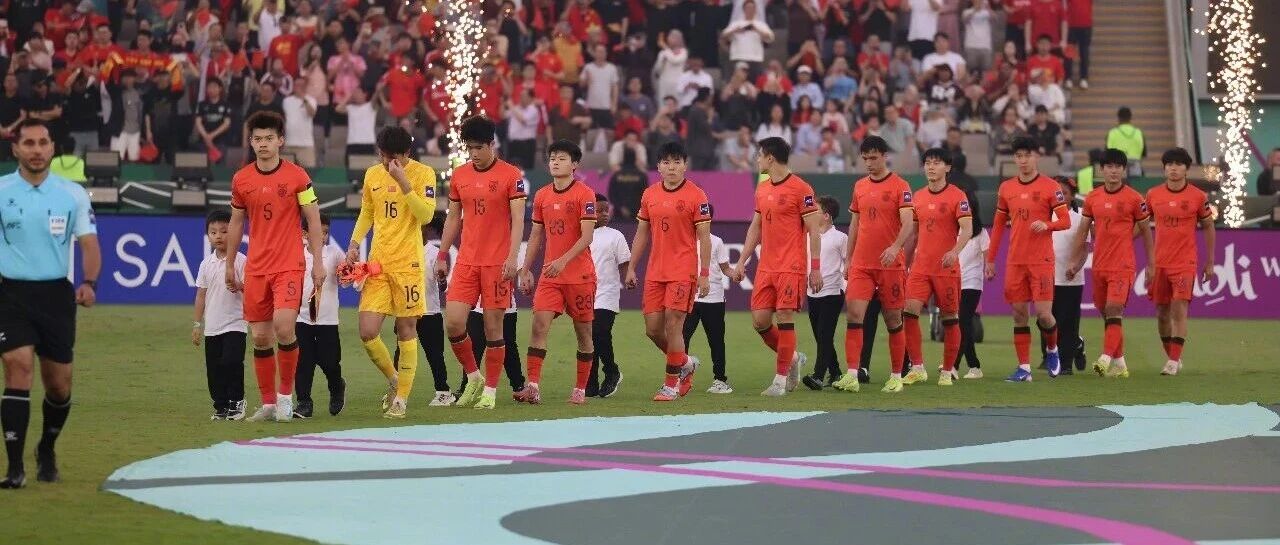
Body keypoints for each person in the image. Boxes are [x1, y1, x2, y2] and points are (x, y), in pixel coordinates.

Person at [0, 119, 100, 487]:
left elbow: (89, 244)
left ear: (52, 148)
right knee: (18, 368)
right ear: (16, 149)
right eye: (29, 143)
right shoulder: (1, 190)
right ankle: (14, 469)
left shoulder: (72, 194)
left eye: (43, 142)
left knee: (59, 386)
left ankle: (46, 447)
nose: (37, 150)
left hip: (56, 296)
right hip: (10, 294)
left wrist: (89, 282)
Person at [224, 112, 325, 422]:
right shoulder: (241, 179)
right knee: (260, 338)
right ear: (251, 142)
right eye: (257, 139)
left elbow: (313, 219)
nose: (263, 144)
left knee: (283, 327)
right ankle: (268, 404)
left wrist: (318, 262)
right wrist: (230, 264)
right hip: (256, 268)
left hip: (289, 265)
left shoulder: (298, 176)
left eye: (269, 138)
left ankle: (284, 398)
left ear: (281, 140)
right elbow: (236, 222)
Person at [436, 116, 527, 410]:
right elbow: (453, 218)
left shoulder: (511, 175)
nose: (473, 153)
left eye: (478, 147)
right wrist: (441, 254)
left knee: (493, 328)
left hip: (497, 263)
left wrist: (512, 257)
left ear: (491, 144)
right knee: (453, 323)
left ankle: (490, 390)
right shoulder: (460, 175)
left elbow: (518, 220)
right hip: (466, 261)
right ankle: (474, 376)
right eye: (469, 148)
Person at [346, 126, 437, 418]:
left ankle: (401, 400)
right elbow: (367, 212)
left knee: (406, 329)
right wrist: (354, 243)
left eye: (393, 157)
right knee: (367, 331)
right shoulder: (372, 174)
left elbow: (426, 215)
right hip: (378, 265)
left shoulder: (424, 173)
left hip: (409, 265)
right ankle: (395, 379)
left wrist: (403, 182)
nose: (387, 162)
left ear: (407, 153)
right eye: (383, 156)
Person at [732, 137, 821, 396]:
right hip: (766, 267)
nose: (757, 159)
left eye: (759, 155)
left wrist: (815, 268)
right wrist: (742, 260)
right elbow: (755, 228)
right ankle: (792, 357)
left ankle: (780, 380)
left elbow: (814, 230)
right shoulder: (762, 189)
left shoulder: (801, 189)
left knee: (784, 317)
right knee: (760, 322)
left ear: (770, 158)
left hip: (791, 266)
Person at [624, 142, 712, 402]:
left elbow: (704, 238)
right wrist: (631, 266)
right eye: (666, 162)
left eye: (676, 162)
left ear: (685, 165)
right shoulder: (649, 194)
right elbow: (642, 233)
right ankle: (685, 362)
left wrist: (704, 273)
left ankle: (670, 384)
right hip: (655, 272)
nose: (671, 167)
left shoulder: (697, 195)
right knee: (653, 330)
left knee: (674, 326)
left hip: (683, 271)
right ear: (658, 167)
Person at [514, 140, 598, 405]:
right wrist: (525, 268)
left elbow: (587, 237)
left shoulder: (585, 194)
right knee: (539, 325)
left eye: (562, 158)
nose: (555, 162)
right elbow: (536, 235)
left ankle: (580, 388)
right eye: (552, 158)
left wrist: (563, 260)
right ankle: (533, 387)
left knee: (583, 333)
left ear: (574, 165)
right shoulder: (541, 196)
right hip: (551, 276)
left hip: (580, 276)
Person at [833, 136, 916, 393]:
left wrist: (895, 247)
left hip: (890, 265)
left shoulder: (900, 185)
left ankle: (896, 375)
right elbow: (855, 224)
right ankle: (852, 374)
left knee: (893, 319)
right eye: (865, 158)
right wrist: (849, 258)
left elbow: (908, 222)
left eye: (873, 157)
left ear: (884, 156)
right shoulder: (859, 186)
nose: (869, 163)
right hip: (862, 264)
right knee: (854, 315)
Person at [984, 136, 1070, 382]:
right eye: (1019, 156)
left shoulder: (1050, 187)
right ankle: (1024, 368)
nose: (1023, 160)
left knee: (1044, 315)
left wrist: (1047, 224)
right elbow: (998, 226)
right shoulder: (1006, 188)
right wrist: (991, 259)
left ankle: (1052, 350)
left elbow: (1065, 221)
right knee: (1019, 314)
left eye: (1027, 155)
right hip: (1015, 261)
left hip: (1041, 260)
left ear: (1037, 156)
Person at [1065, 149, 1153, 378]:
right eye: (1109, 167)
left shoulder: (1135, 199)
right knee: (1108, 314)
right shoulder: (1092, 198)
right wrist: (1074, 261)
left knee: (1114, 308)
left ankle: (1104, 359)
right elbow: (1083, 231)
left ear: (1124, 170)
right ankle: (1120, 364)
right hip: (1099, 265)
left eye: (1118, 167)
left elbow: (1146, 231)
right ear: (1101, 169)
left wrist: (1151, 265)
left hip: (1123, 265)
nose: (1114, 171)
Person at [903, 149, 973, 387]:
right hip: (921, 268)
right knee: (909, 312)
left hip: (946, 269)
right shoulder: (918, 196)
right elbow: (913, 235)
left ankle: (948, 370)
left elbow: (967, 229)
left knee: (950, 318)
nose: (931, 167)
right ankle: (918, 367)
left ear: (948, 167)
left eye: (936, 163)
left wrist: (954, 251)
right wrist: (906, 263)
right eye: (927, 163)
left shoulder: (957, 196)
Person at [1145, 148, 1216, 376]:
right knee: (1162, 314)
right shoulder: (1153, 194)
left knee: (1179, 308)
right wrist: (1123, 238)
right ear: (1164, 168)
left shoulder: (1198, 196)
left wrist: (1210, 261)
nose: (1174, 168)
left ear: (1186, 169)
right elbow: (1142, 225)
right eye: (1169, 164)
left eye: (1178, 164)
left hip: (1185, 262)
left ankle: (1173, 361)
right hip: (1160, 263)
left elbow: (1208, 226)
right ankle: (1172, 357)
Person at [193, 211, 248, 421]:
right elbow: (201, 295)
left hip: (235, 323)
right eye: (213, 232)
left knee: (232, 362)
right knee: (214, 369)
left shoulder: (242, 261)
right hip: (212, 327)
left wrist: (239, 285)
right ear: (208, 235)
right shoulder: (206, 264)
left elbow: (252, 291)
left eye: (224, 231)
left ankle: (237, 401)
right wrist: (197, 324)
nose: (219, 236)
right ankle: (221, 405)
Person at [394, 218, 455, 406]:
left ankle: (443, 392)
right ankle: (396, 391)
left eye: (420, 227)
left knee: (435, 355)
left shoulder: (435, 253)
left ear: (427, 230)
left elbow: (443, 287)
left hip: (430, 313)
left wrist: (442, 279)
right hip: (407, 312)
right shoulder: (403, 251)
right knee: (400, 353)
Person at [295, 213, 345, 418]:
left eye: (326, 232)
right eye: (318, 232)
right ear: (304, 233)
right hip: (302, 319)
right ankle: (304, 402)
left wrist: (349, 268)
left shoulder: (334, 253)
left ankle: (337, 388)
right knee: (303, 363)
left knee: (330, 362)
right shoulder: (296, 254)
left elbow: (347, 278)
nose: (322, 237)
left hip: (327, 321)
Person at [683, 205, 735, 394]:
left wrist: (735, 274)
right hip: (689, 298)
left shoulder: (716, 241)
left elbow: (725, 268)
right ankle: (682, 372)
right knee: (681, 337)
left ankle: (720, 380)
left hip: (713, 298)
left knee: (716, 340)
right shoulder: (684, 240)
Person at [802, 196, 849, 390]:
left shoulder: (841, 238)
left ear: (827, 216)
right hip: (812, 293)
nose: (811, 213)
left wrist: (845, 285)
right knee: (820, 336)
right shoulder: (807, 236)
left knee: (824, 334)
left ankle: (818, 376)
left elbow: (848, 263)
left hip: (832, 292)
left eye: (816, 211)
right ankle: (836, 371)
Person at [1042, 176, 1087, 375]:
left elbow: (1084, 249)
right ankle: (1051, 355)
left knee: (1068, 322)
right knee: (1045, 319)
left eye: (1065, 193)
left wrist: (1075, 267)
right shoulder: (1044, 216)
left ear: (1072, 196)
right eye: (1057, 192)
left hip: (1070, 280)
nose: (1060, 196)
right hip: (1046, 277)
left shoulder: (1079, 219)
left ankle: (1066, 363)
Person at [587, 193, 630, 398]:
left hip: (607, 293)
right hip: (585, 294)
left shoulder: (615, 236)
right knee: (588, 338)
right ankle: (590, 383)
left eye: (607, 210)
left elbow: (624, 262)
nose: (604, 214)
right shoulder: (581, 235)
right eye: (599, 210)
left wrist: (629, 276)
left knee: (599, 332)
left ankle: (612, 371)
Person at [956, 212, 990, 378]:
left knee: (963, 321)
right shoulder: (953, 229)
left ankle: (953, 365)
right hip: (954, 281)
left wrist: (989, 267)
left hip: (972, 283)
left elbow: (987, 254)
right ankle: (974, 366)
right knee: (961, 324)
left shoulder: (981, 232)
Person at [1106, 107, 1145, 177]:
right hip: (1135, 165)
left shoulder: (1112, 133)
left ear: (1118, 118)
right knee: (1136, 183)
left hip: (1118, 165)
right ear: (1130, 118)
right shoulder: (1138, 132)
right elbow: (1144, 153)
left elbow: (1107, 152)